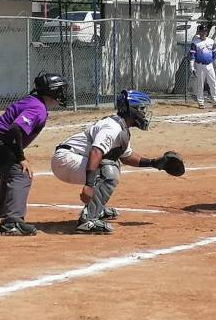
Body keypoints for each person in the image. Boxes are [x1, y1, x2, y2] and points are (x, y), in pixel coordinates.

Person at [50, 90, 177, 234]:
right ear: (131, 109)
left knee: (112, 163)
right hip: (66, 160)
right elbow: (96, 152)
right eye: (141, 109)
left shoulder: (121, 127)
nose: (144, 113)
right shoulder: (113, 128)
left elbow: (126, 156)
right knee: (109, 168)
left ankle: (96, 208)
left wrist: (154, 163)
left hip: (72, 159)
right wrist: (89, 185)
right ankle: (88, 220)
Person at [0, 73, 68, 236]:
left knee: (10, 170)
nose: (62, 93)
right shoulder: (38, 108)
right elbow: (15, 129)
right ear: (51, 91)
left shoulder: (33, 101)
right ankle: (12, 223)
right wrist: (21, 158)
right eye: (59, 90)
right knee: (20, 173)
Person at [189, 24, 216, 109]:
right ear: (198, 32)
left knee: (213, 83)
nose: (203, 33)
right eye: (201, 31)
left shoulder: (211, 41)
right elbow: (192, 55)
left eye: (204, 31)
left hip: (209, 64)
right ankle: (201, 102)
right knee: (200, 84)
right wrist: (192, 66)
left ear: (206, 32)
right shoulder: (195, 42)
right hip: (200, 65)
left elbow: (214, 54)